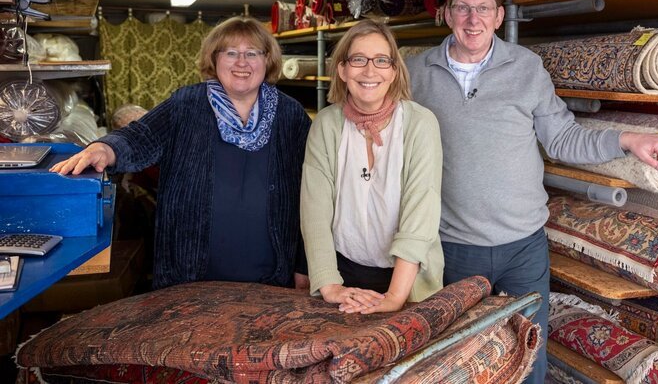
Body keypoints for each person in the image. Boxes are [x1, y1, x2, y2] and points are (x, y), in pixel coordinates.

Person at [405, 0, 658, 382]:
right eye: (462, 7)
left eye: (483, 8)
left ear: (499, 16)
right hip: (451, 247)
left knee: (530, 357)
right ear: (447, 14)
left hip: (523, 248)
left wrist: (629, 139)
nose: (472, 19)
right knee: (456, 362)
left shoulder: (527, 68)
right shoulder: (414, 74)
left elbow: (564, 139)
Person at [51, 16, 311, 291]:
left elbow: (313, 193)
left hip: (270, 276)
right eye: (231, 53)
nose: (241, 62)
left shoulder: (290, 114)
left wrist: (303, 265)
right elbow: (141, 136)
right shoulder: (186, 104)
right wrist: (105, 147)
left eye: (252, 53)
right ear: (214, 58)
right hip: (191, 272)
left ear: (267, 59)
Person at [301, 19, 444, 314]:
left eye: (381, 60)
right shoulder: (326, 125)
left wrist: (394, 298)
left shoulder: (420, 123)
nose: (369, 71)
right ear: (341, 69)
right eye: (358, 60)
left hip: (407, 280)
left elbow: (421, 214)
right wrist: (329, 285)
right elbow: (314, 211)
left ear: (394, 71)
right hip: (343, 275)